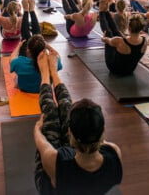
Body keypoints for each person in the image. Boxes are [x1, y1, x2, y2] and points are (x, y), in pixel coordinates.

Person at [33, 49, 122, 194]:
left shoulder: (54, 160)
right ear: (103, 131)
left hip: (53, 182)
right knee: (67, 107)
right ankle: (54, 74)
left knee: (50, 117)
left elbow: (41, 143)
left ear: (70, 132)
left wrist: (37, 130)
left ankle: (45, 74)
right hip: (78, 158)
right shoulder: (114, 153)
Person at [99, 0, 147, 76]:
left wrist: (104, 38)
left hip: (115, 69)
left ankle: (101, 11)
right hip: (130, 70)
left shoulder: (119, 41)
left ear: (129, 28)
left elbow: (106, 40)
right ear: (141, 29)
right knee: (117, 32)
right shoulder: (145, 41)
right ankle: (106, 11)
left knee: (109, 33)